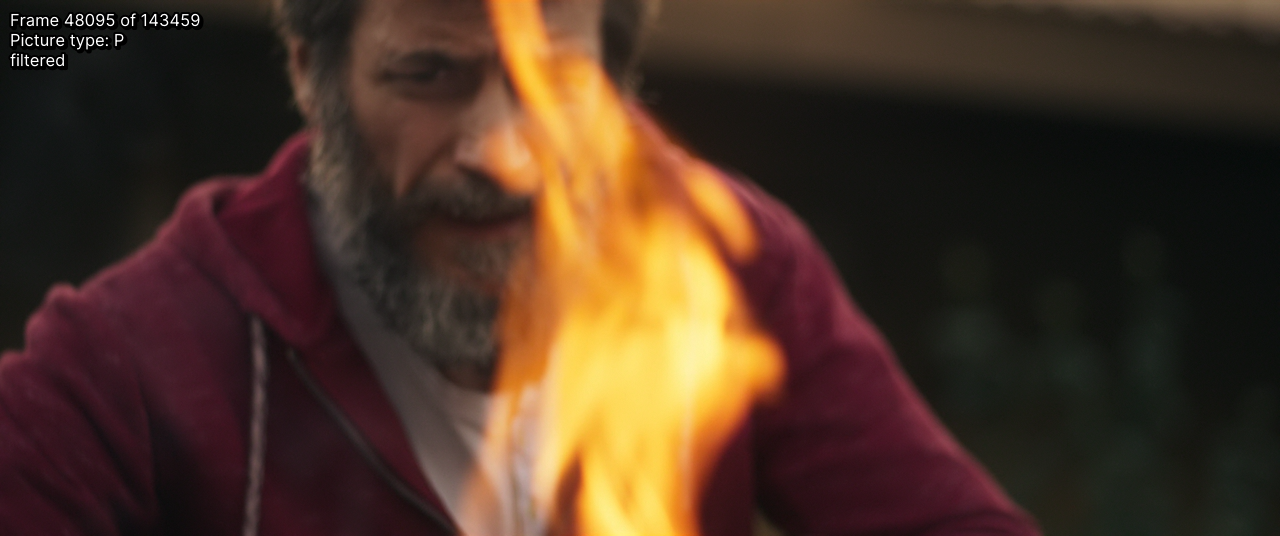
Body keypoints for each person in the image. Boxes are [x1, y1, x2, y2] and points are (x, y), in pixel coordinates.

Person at [0, 0, 1040, 534]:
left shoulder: (730, 268)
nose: (502, 153)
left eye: (553, 84)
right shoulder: (136, 360)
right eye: (431, 75)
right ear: (311, 74)